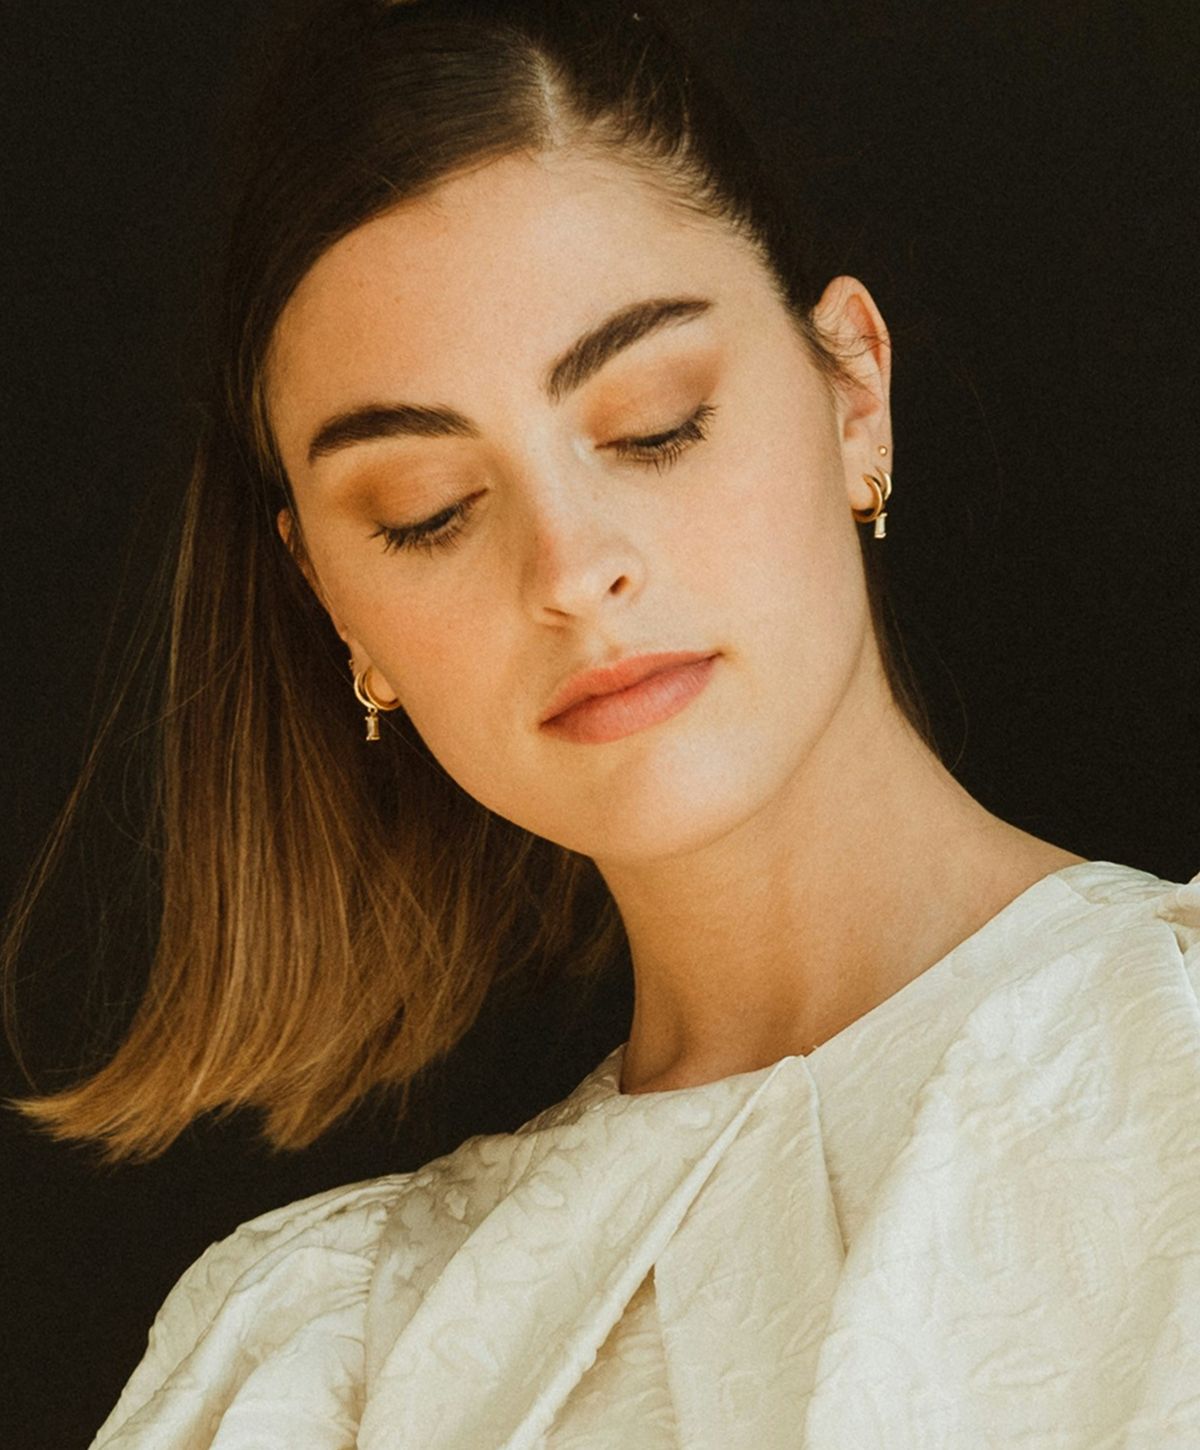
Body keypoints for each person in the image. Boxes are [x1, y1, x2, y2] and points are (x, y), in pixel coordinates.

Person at [4, 0, 1198, 1445]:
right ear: (334, 602)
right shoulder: (326, 1357)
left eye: (655, 421)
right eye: (426, 514)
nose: (571, 571)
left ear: (853, 396)